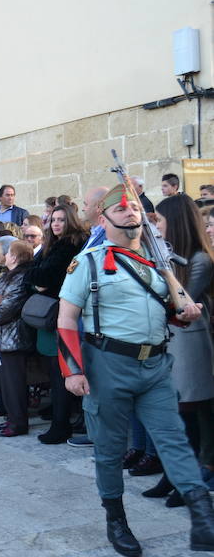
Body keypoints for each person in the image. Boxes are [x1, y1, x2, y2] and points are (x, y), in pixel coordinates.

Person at [57, 184, 214, 555]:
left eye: (135, 209)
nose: (131, 213)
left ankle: (202, 515)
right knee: (110, 450)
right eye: (122, 209)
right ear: (103, 218)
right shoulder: (89, 263)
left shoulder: (159, 266)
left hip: (156, 366)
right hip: (106, 366)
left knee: (173, 439)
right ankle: (116, 519)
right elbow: (66, 319)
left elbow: (172, 311)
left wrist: (187, 313)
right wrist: (73, 370)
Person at [141, 194, 214, 505]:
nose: (159, 226)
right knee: (175, 413)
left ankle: (190, 480)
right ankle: (174, 475)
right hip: (171, 339)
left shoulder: (199, 260)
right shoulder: (171, 256)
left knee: (191, 410)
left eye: (161, 221)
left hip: (192, 341)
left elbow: (182, 301)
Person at [27, 205, 87, 444]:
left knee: (62, 369)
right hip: (50, 313)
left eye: (61, 219)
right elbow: (32, 277)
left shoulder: (70, 245)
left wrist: (37, 279)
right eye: (53, 220)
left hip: (63, 314)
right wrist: (36, 280)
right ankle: (61, 417)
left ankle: (61, 424)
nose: (56, 224)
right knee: (54, 370)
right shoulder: (52, 246)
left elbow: (41, 278)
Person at [0, 240, 34, 437]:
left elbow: (9, 306)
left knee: (15, 383)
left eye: (8, 252)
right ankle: (12, 418)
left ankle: (19, 422)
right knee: (7, 383)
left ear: (15, 257)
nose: (4, 255)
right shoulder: (8, 275)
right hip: (3, 336)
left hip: (13, 335)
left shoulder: (20, 277)